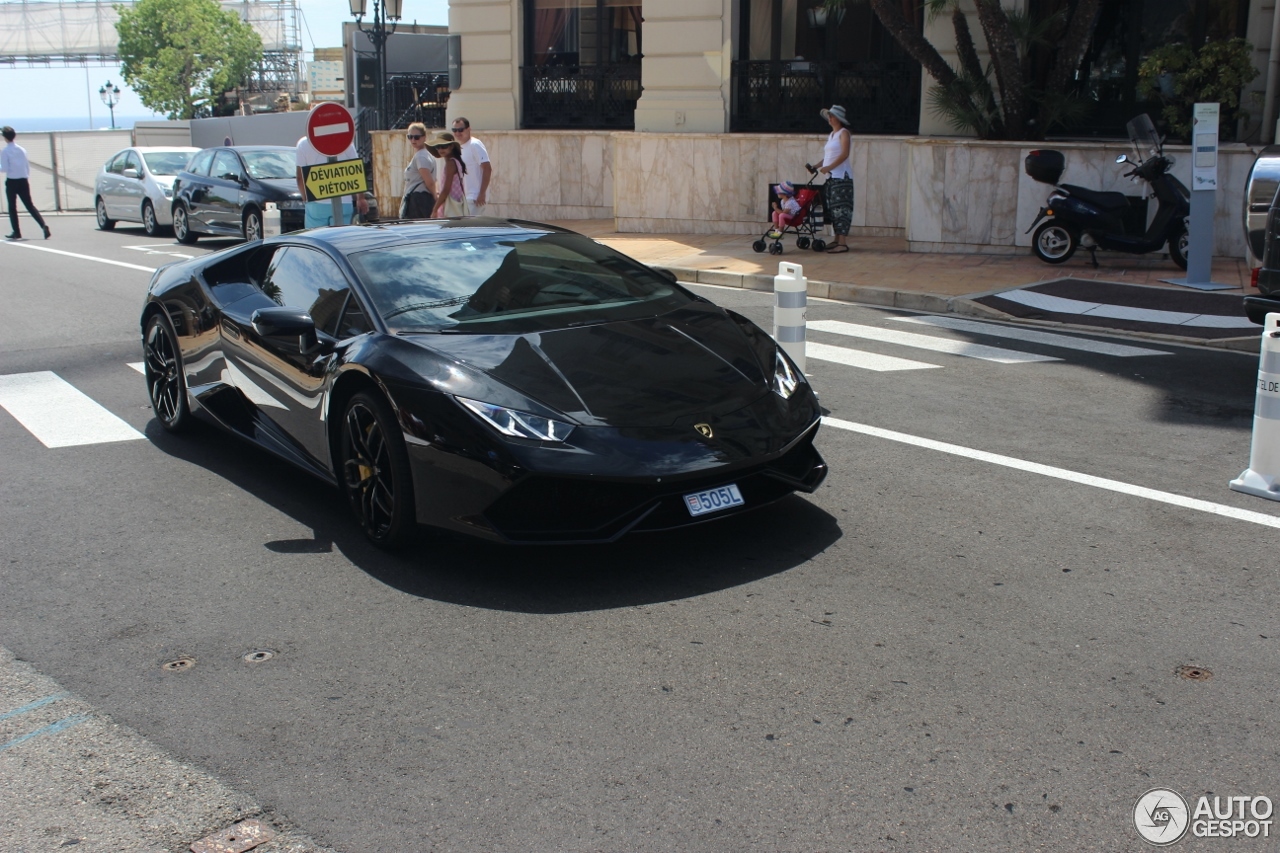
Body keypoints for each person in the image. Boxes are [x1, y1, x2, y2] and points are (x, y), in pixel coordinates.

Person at [295, 121, 368, 229]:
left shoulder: (303, 144)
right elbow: (357, 170)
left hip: (316, 203)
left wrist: (306, 198)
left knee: (317, 240)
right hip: (344, 203)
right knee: (341, 240)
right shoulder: (345, 142)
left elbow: (300, 177)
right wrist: (360, 198)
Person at [1, 126, 51, 240]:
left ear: (5, 137)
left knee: (12, 207)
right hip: (23, 180)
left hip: (12, 181)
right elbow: (26, 166)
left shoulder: (5, 151)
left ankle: (16, 232)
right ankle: (43, 225)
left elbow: (4, 168)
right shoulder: (22, 149)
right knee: (29, 205)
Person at [817, 104, 853, 253]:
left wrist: (829, 167)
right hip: (831, 177)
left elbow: (844, 154)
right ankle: (837, 239)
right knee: (833, 208)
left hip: (841, 177)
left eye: (832, 116)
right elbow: (828, 157)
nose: (829, 119)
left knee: (841, 208)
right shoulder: (832, 135)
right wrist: (817, 165)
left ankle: (843, 242)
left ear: (838, 118)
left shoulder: (844, 133)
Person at [450, 116, 491, 215]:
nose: (457, 133)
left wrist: (481, 194)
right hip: (464, 199)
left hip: (475, 198)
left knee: (470, 229)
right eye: (454, 130)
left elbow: (487, 169)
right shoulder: (459, 147)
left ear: (468, 129)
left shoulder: (475, 145)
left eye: (460, 130)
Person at [399, 122, 437, 219]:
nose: (413, 140)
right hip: (418, 199)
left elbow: (430, 182)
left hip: (419, 199)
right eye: (410, 137)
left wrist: (436, 201)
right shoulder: (423, 154)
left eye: (416, 137)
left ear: (424, 137)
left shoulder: (421, 156)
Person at [427, 131, 468, 218]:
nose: (441, 149)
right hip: (456, 203)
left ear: (451, 146)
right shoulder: (456, 162)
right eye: (438, 147)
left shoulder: (451, 163)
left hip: (451, 206)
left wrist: (435, 209)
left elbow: (446, 190)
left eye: (444, 146)